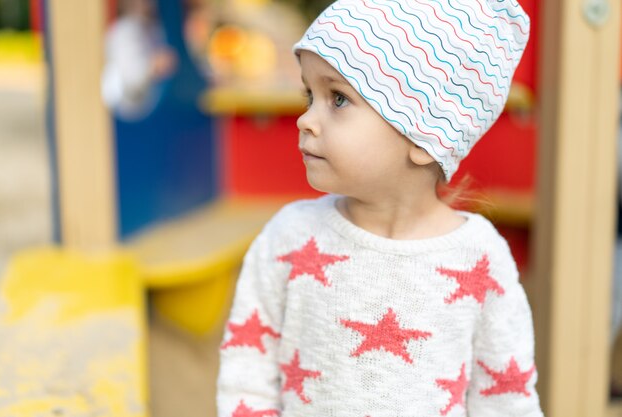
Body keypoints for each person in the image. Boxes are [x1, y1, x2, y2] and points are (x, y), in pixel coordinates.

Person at [217, 0, 543, 416]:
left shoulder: (480, 261)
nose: (306, 120)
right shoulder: (290, 238)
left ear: (425, 139)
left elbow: (506, 398)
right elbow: (248, 364)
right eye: (308, 95)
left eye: (337, 98)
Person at [102, 0, 176, 119]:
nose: (148, 4)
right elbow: (132, 76)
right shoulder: (124, 30)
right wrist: (153, 66)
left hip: (158, 105)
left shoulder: (151, 26)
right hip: (140, 113)